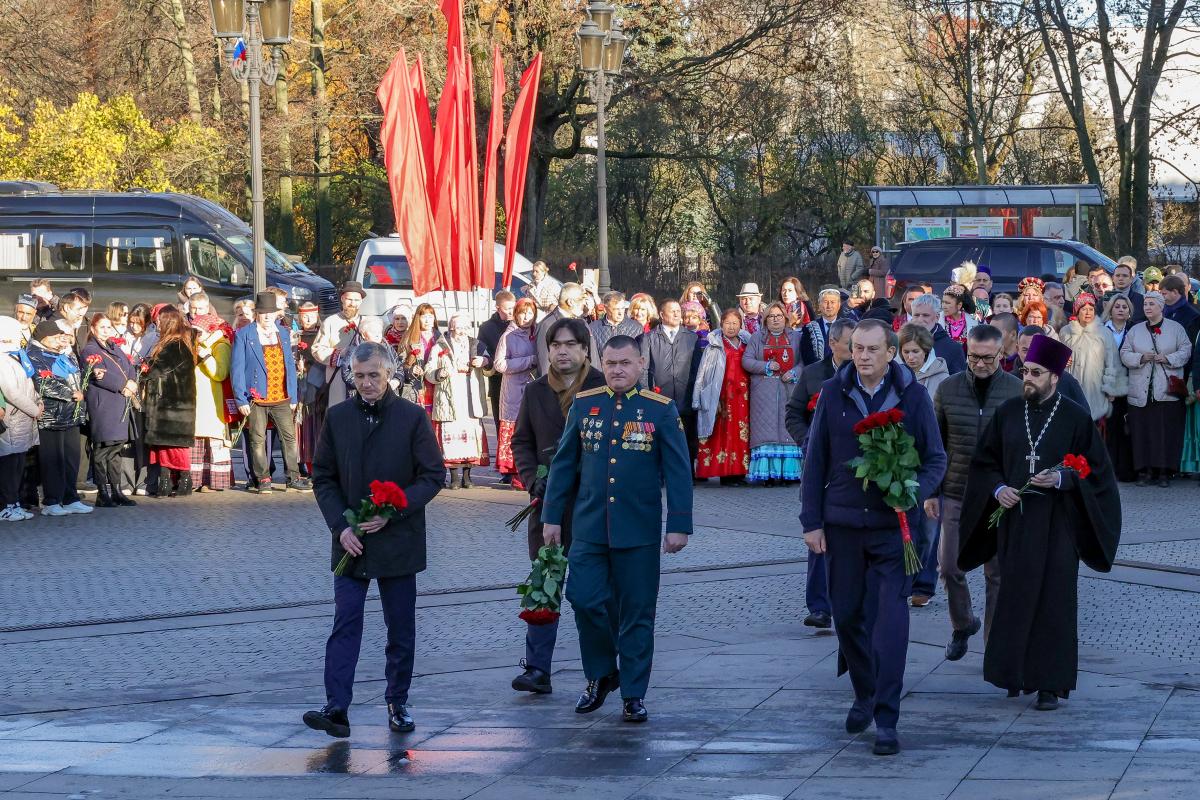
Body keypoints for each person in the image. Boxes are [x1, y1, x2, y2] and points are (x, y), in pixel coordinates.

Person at [801, 319, 946, 755]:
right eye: (856, 348)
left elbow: (935, 458)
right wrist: (811, 521)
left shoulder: (913, 395)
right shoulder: (833, 392)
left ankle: (887, 717)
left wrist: (912, 490)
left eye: (871, 349)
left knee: (890, 623)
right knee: (846, 618)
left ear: (891, 353)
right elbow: (816, 459)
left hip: (892, 531)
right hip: (842, 526)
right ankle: (863, 693)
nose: (862, 356)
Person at [958, 335, 1120, 711]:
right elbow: (984, 463)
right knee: (1015, 595)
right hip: (1016, 521)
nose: (1026, 378)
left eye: (1035, 373)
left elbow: (1098, 473)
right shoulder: (1009, 412)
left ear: (1055, 377)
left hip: (1059, 523)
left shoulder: (1076, 417)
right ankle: (1014, 675)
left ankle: (1049, 684)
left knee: (1054, 600)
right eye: (1025, 371)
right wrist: (998, 489)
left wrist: (1063, 480)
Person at [540, 335, 693, 723]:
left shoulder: (659, 410)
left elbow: (678, 470)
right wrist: (552, 516)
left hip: (638, 530)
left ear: (641, 364)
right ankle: (602, 672)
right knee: (584, 599)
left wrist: (678, 524)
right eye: (610, 364)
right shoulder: (585, 404)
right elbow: (563, 464)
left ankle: (634, 693)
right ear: (600, 364)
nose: (617, 370)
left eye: (625, 363)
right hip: (590, 527)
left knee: (637, 612)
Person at [304, 340, 444, 739]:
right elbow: (324, 477)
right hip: (350, 540)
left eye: (374, 376)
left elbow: (432, 476)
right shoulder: (338, 417)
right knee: (345, 621)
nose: (366, 383)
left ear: (390, 375)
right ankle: (336, 707)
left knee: (400, 626)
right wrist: (340, 526)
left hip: (397, 539)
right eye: (360, 376)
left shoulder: (412, 417)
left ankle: (397, 702)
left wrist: (394, 511)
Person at [510, 318, 606, 694]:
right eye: (555, 345)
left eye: (570, 344)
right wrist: (535, 480)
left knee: (592, 591)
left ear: (585, 349)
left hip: (592, 506)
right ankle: (537, 669)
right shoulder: (535, 391)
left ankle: (599, 668)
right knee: (544, 583)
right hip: (547, 505)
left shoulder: (601, 386)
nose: (562, 351)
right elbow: (521, 442)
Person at [931, 324, 1020, 660]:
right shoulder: (948, 388)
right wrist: (930, 492)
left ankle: (994, 646)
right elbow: (936, 444)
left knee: (996, 573)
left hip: (997, 495)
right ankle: (963, 622)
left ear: (1002, 355)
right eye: (973, 357)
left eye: (987, 358)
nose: (979, 364)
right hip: (956, 490)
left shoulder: (1015, 390)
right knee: (949, 566)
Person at [785, 318, 855, 630]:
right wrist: (807, 441)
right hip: (821, 465)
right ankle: (819, 606)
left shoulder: (866, 374)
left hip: (856, 464)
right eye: (851, 344)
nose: (857, 351)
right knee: (818, 533)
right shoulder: (813, 374)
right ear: (833, 344)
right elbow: (793, 414)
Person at [231, 292, 309, 494]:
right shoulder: (244, 334)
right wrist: (241, 398)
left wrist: (292, 393)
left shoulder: (282, 332)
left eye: (270, 313)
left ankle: (293, 477)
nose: (266, 316)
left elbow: (289, 365)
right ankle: (263, 478)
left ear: (276, 313)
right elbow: (237, 369)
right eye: (262, 313)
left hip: (281, 395)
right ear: (256, 313)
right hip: (256, 397)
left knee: (289, 438)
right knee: (257, 439)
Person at [896, 323, 948, 606]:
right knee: (908, 526)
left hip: (930, 457)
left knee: (929, 528)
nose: (910, 357)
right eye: (906, 352)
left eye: (915, 351)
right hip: (904, 457)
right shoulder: (897, 378)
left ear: (926, 350)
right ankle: (907, 579)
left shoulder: (942, 377)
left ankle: (924, 585)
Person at [1119, 292, 1191, 487]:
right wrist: (1140, 358)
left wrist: (1167, 358)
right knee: (1141, 432)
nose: (1147, 307)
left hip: (1165, 391)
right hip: (1140, 390)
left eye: (1152, 304)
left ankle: (1164, 472)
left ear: (1161, 306)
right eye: (1145, 304)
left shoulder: (1176, 328)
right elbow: (1124, 353)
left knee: (1164, 432)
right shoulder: (1135, 330)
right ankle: (1144, 471)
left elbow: (1186, 350)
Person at [27, 321, 91, 515]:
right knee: (52, 458)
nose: (59, 340)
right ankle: (51, 500)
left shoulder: (65, 354)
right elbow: (42, 383)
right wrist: (72, 393)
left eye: (60, 336)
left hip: (71, 413)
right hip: (51, 415)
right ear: (43, 338)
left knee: (71, 457)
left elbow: (78, 377)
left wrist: (81, 390)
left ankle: (70, 497)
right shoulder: (34, 355)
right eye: (55, 337)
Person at [139, 307, 197, 498]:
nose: (157, 324)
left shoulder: (175, 344)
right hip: (172, 402)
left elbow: (157, 369)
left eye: (159, 321)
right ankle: (167, 481)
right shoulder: (178, 342)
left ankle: (183, 480)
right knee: (164, 445)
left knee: (174, 445)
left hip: (173, 403)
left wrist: (138, 369)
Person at [81, 313, 138, 507]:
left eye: (109, 327)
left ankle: (116, 490)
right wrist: (124, 385)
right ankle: (102, 492)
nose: (106, 331)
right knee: (102, 450)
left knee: (116, 450)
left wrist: (132, 381)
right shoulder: (90, 349)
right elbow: (100, 376)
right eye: (102, 327)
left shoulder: (115, 347)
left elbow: (130, 367)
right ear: (94, 329)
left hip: (120, 402)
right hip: (104, 404)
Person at [743, 302, 802, 485]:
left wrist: (794, 373)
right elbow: (746, 360)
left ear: (785, 318)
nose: (775, 320)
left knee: (788, 429)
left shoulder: (797, 338)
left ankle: (788, 474)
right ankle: (767, 474)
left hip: (789, 390)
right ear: (765, 319)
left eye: (779, 316)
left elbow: (804, 362)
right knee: (765, 431)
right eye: (771, 316)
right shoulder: (756, 338)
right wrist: (766, 366)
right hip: (764, 392)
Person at [428, 314, 488, 490]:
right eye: (458, 327)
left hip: (471, 391)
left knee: (471, 434)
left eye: (465, 327)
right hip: (449, 393)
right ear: (451, 328)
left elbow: (489, 364)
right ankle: (454, 476)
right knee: (451, 436)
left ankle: (468, 477)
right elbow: (429, 369)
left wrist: (483, 361)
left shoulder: (476, 344)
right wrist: (439, 373)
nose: (461, 331)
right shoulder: (440, 345)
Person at [693, 308, 751, 485]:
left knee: (741, 434)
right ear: (721, 324)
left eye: (735, 323)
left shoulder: (747, 344)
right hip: (720, 395)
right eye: (728, 323)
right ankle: (723, 473)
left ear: (740, 325)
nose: (731, 327)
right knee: (720, 433)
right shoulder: (714, 345)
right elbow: (703, 373)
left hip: (743, 397)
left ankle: (739, 472)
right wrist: (699, 397)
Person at [641, 300, 699, 464]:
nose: (676, 314)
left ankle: (688, 473)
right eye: (671, 311)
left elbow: (697, 370)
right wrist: (646, 394)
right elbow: (643, 370)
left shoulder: (691, 338)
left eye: (678, 311)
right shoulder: (649, 338)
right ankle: (659, 473)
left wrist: (695, 394)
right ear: (661, 315)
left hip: (685, 397)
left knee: (686, 437)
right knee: (658, 438)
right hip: (659, 398)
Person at [185, 301, 235, 493]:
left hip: (213, 402)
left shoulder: (220, 345)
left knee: (213, 442)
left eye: (199, 331)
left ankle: (214, 481)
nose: (196, 335)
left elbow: (220, 373)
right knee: (197, 441)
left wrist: (205, 356)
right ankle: (195, 480)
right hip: (198, 400)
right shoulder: (196, 344)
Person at [1058, 293, 1125, 423]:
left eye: (1091, 309)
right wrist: (1062, 360)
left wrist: (1111, 388)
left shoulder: (1104, 333)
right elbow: (1058, 356)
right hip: (1071, 384)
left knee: (1094, 426)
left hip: (1096, 387)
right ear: (1077, 311)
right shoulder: (1065, 332)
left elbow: (1112, 361)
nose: (1088, 312)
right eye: (1084, 309)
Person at [494, 298, 539, 487]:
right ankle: (514, 472)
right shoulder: (508, 336)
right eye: (522, 313)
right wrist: (528, 361)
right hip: (514, 389)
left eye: (530, 313)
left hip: (534, 387)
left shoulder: (538, 332)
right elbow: (499, 364)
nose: (526, 317)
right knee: (516, 430)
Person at [0, 319, 41, 521]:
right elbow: (11, 392)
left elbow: (29, 385)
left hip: (23, 419)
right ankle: (5, 505)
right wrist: (34, 409)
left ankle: (14, 502)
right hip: (12, 420)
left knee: (18, 465)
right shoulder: (2, 359)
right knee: (8, 465)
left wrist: (38, 402)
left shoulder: (17, 357)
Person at [312, 281, 366, 408]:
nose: (353, 303)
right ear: (342, 299)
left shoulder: (366, 323)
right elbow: (316, 349)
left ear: (361, 301)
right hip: (337, 380)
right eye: (349, 299)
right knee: (339, 414)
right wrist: (339, 353)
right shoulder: (330, 322)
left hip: (362, 380)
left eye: (356, 300)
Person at [1102, 294, 1137, 481]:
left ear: (1129, 310)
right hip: (1107, 387)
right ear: (1111, 309)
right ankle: (1110, 470)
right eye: (1117, 306)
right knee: (1110, 430)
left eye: (1125, 307)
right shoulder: (1102, 330)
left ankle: (1126, 470)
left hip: (1129, 385)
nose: (1121, 309)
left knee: (1126, 429)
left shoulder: (1134, 330)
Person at [477, 291, 516, 431]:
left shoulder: (522, 323)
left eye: (513, 307)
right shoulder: (486, 328)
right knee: (501, 422)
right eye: (507, 309)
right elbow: (483, 352)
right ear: (498, 308)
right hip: (498, 380)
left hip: (519, 380)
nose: (511, 312)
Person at [536, 284, 594, 375]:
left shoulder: (582, 322)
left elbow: (592, 357)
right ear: (570, 302)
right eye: (582, 299)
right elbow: (545, 367)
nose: (584, 303)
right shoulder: (547, 325)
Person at [909, 294, 967, 375]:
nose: (920, 319)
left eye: (926, 315)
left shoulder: (953, 348)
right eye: (916, 315)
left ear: (937, 317)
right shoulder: (903, 342)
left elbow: (958, 383)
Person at [590, 291, 643, 363]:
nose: (620, 313)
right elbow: (593, 358)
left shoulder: (636, 328)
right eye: (616, 309)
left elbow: (640, 357)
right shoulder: (593, 328)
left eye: (622, 308)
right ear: (605, 309)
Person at [801, 287, 846, 365]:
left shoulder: (846, 327)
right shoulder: (809, 328)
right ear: (819, 305)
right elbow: (806, 355)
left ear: (839, 305)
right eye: (825, 302)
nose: (829, 306)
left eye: (832, 302)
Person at [1160, 274, 1200, 345]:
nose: (1161, 297)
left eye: (1164, 294)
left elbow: (1191, 345)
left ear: (1175, 292)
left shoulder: (1193, 317)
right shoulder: (1160, 310)